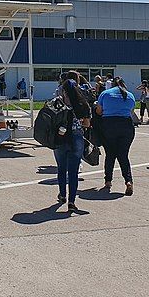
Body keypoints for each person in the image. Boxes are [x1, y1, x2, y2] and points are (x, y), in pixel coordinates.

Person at [54, 71, 92, 213]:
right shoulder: (82, 100)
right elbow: (87, 124)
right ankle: (71, 201)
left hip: (60, 135)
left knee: (61, 168)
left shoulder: (57, 99)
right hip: (76, 136)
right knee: (73, 172)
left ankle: (62, 194)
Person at [96, 79, 136, 195]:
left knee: (110, 154)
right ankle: (128, 181)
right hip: (126, 125)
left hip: (109, 125)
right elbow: (131, 111)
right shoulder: (130, 95)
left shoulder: (105, 94)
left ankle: (108, 180)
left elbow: (99, 111)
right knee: (123, 155)